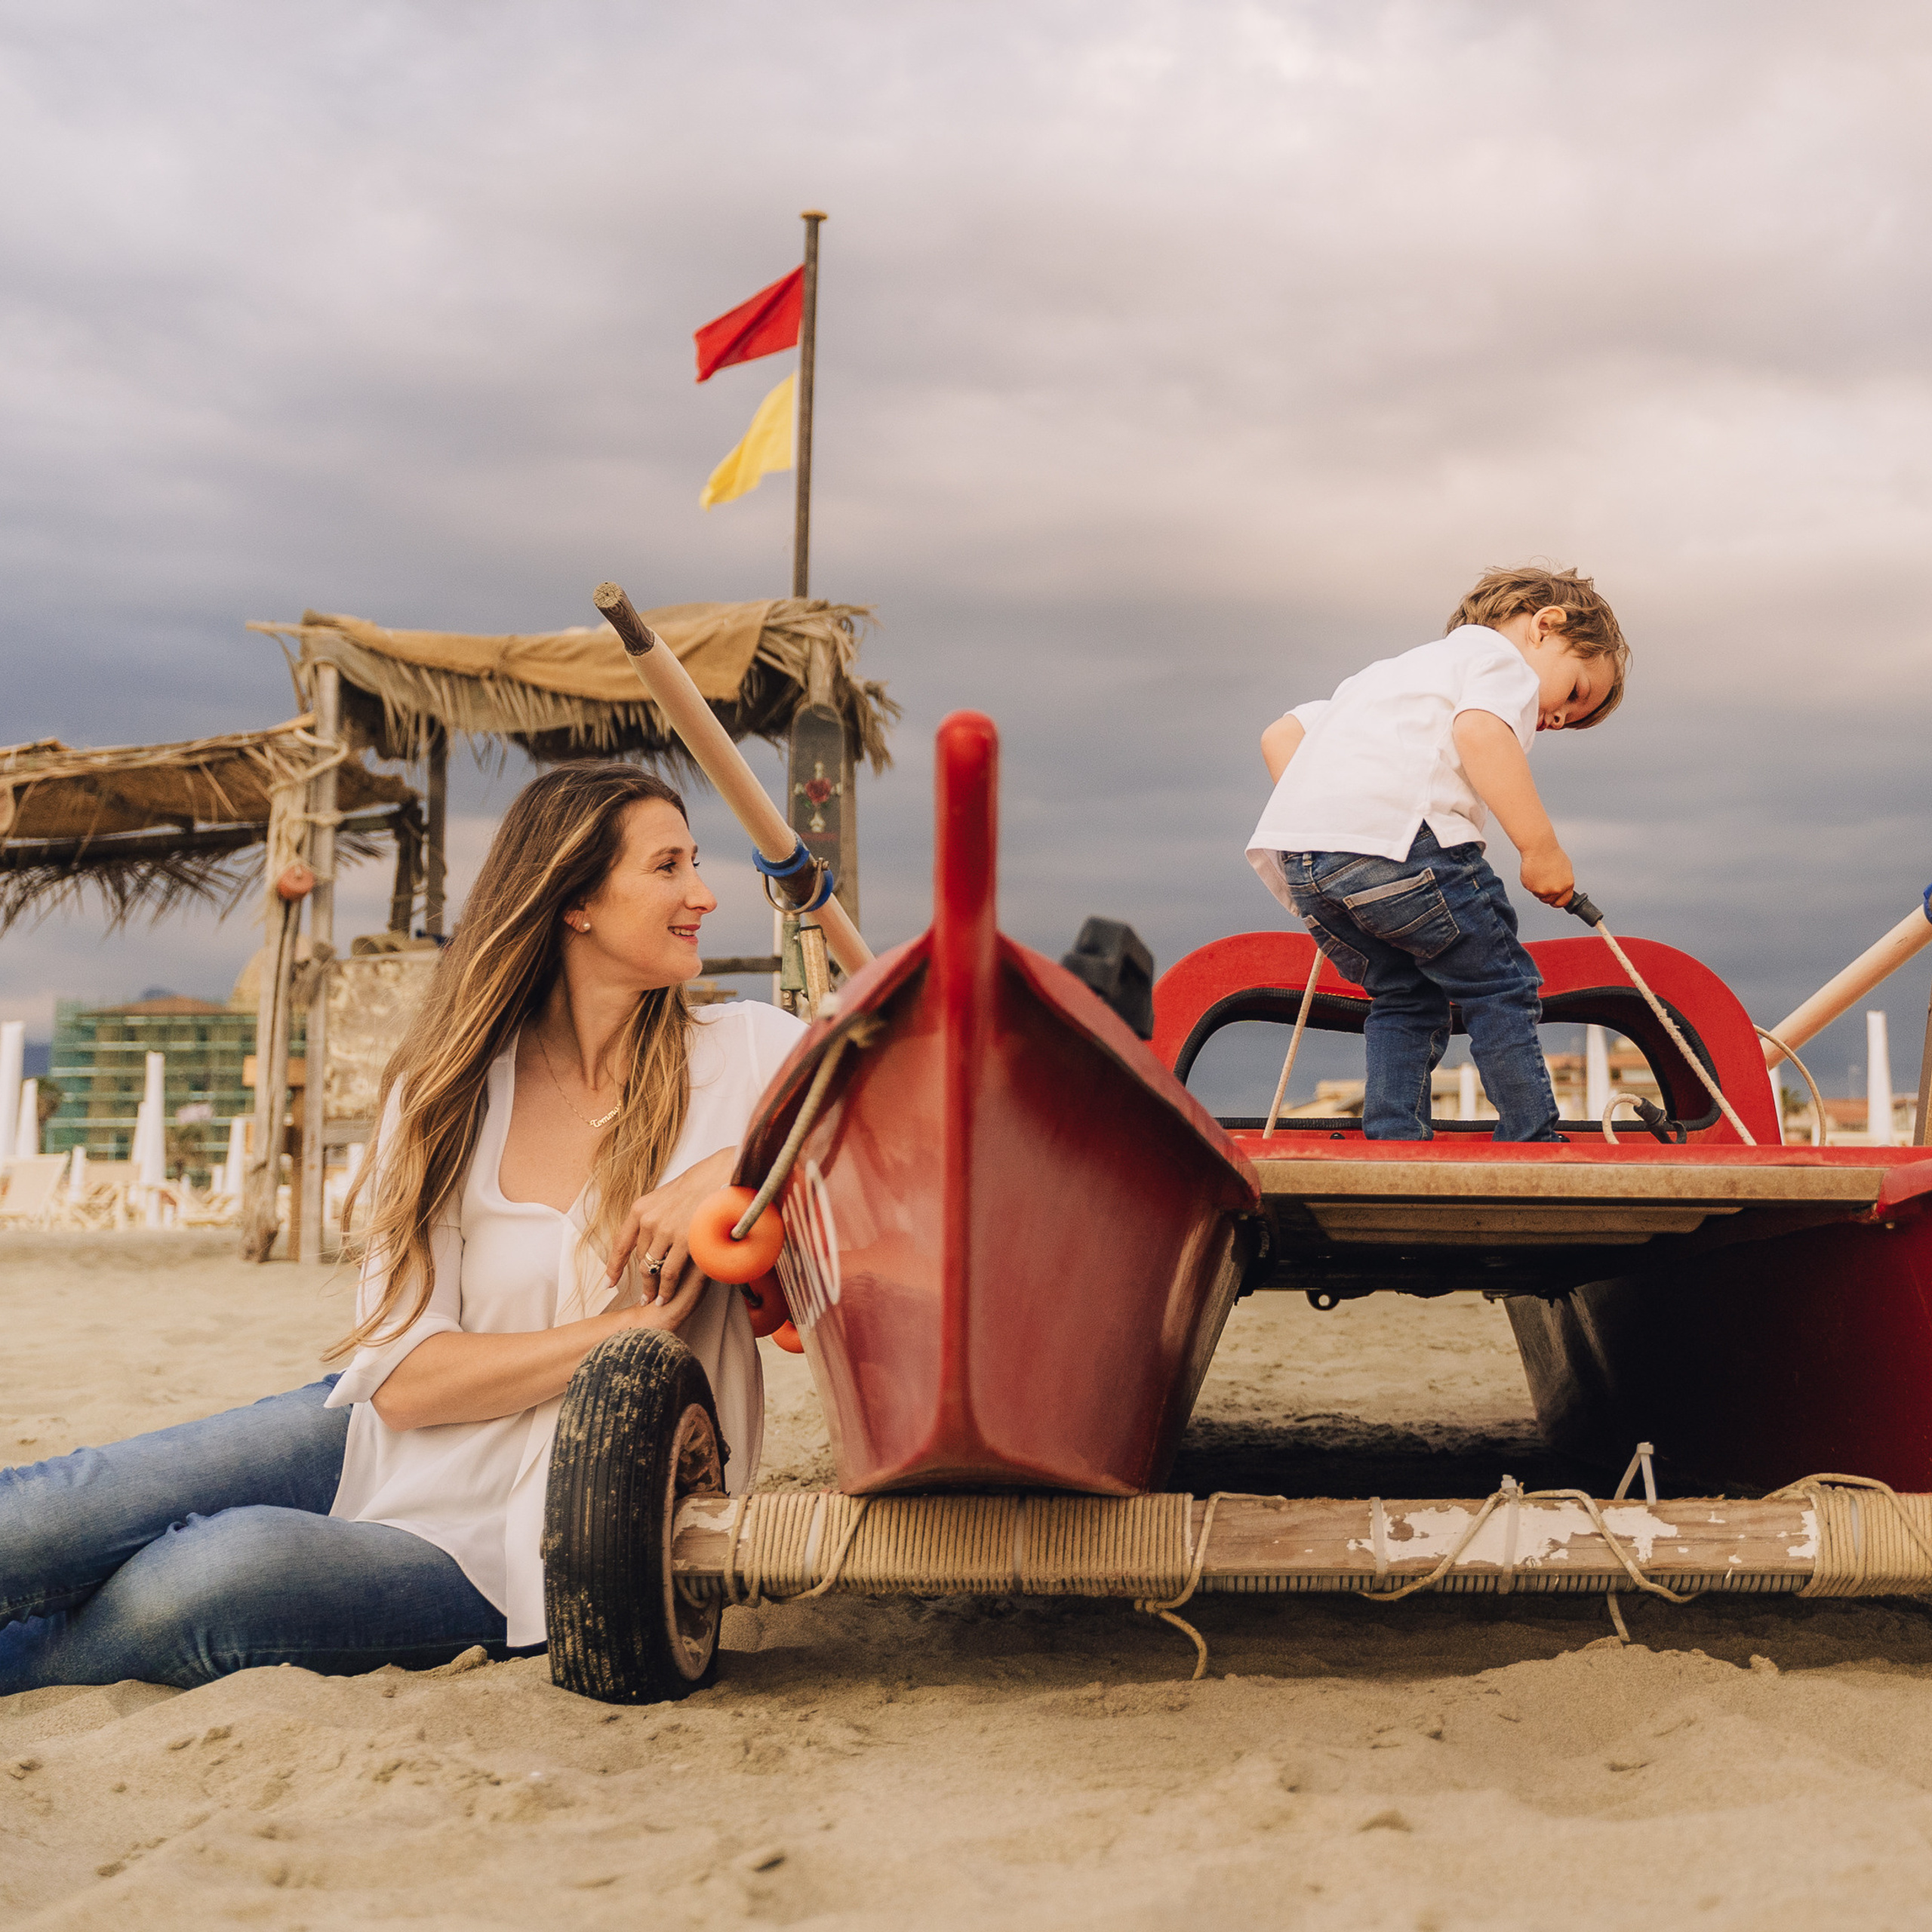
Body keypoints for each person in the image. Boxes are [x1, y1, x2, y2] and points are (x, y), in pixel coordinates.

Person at [0, 764, 805, 1690]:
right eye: (668, 867)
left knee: (203, 1575)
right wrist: (621, 1333)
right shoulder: (446, 1093)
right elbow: (410, 1382)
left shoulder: (749, 1052)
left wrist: (724, 1169)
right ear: (574, 899)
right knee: (58, 1510)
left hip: (553, 1531)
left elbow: (895, 1100)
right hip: (391, 1434)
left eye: (694, 863)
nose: (703, 894)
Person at [1246, 565, 1629, 1142]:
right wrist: (1540, 849)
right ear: (1546, 626)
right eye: (1576, 692)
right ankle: (1532, 1137)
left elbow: (1280, 734)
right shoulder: (1500, 660)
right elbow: (1480, 732)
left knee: (1405, 996)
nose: (1554, 718)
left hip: (1308, 868)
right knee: (1498, 984)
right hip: (1408, 849)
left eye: (1568, 722)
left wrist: (1333, 819)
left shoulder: (1384, 677)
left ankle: (1394, 1139)